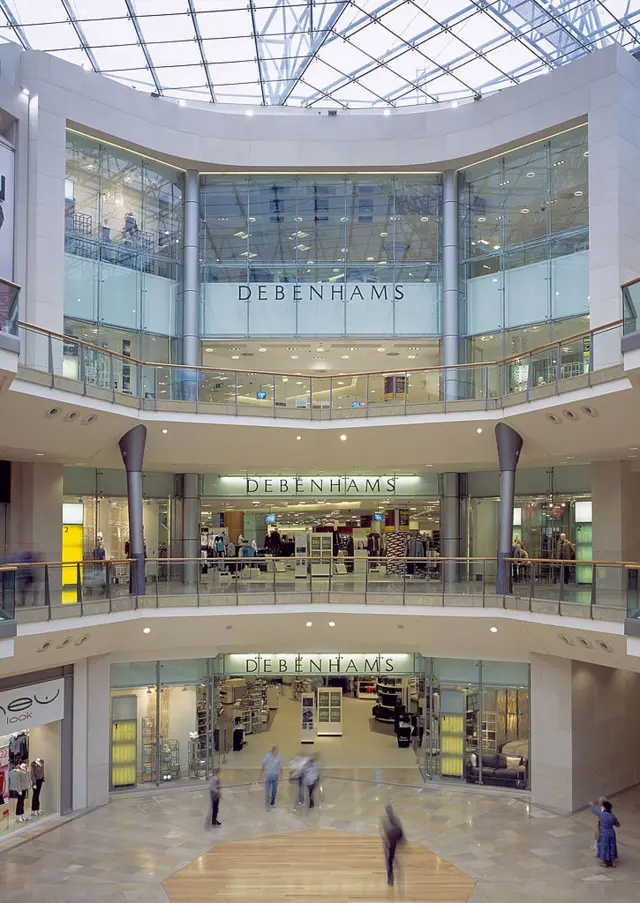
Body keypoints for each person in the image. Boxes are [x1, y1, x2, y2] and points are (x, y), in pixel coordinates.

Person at [589, 797, 620, 867]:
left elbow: (594, 811)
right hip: (611, 832)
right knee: (611, 845)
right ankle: (613, 862)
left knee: (604, 846)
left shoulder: (601, 814)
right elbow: (618, 825)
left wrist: (591, 805)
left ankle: (604, 862)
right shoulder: (612, 816)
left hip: (603, 832)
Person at [382, 804, 405, 887]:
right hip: (392, 842)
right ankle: (390, 877)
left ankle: (390, 877)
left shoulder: (386, 822)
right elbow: (400, 831)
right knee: (390, 859)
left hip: (391, 843)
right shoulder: (395, 820)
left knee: (389, 860)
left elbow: (386, 834)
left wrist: (385, 843)